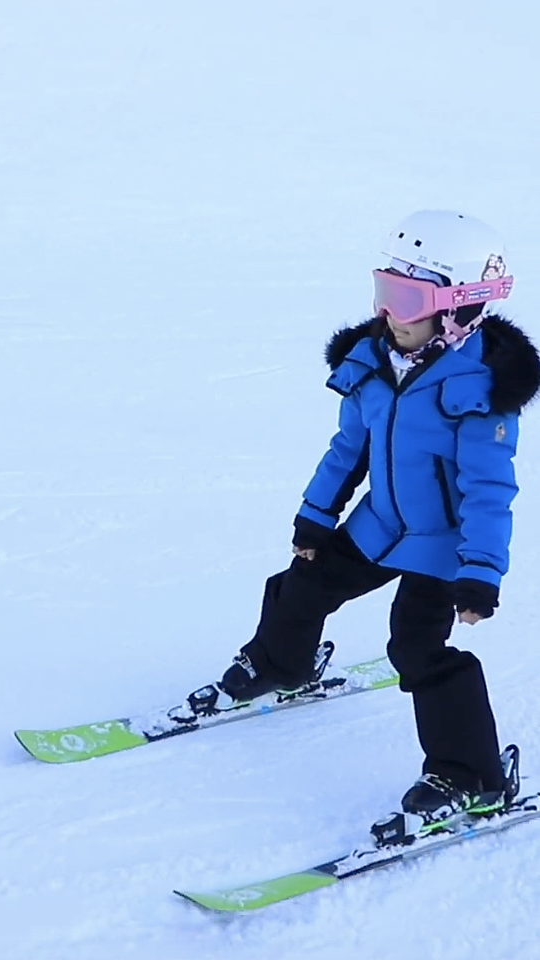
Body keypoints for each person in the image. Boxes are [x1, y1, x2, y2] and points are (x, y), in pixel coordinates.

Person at [193, 210, 540, 832]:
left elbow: (491, 491)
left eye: (408, 297)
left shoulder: (481, 387)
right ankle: (282, 665)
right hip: (379, 524)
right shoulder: (372, 363)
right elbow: (347, 450)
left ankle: (472, 776)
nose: (388, 312)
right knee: (304, 584)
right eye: (385, 290)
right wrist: (315, 518)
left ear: (460, 307)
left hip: (443, 547)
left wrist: (480, 572)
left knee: (415, 646)